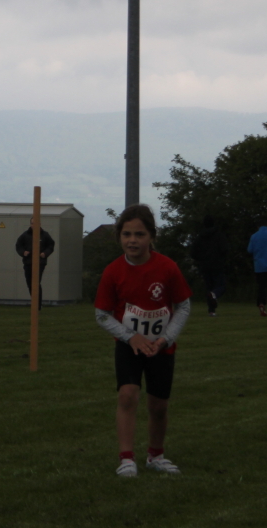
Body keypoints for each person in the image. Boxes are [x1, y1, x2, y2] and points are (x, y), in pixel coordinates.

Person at [94, 203, 192, 477]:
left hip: (161, 348)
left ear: (151, 236)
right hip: (129, 347)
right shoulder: (113, 271)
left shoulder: (167, 267)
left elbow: (183, 306)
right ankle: (126, 459)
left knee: (158, 405)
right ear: (119, 237)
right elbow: (101, 315)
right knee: (127, 395)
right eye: (127, 234)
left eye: (139, 234)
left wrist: (165, 338)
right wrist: (131, 338)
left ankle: (155, 455)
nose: (132, 240)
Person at [189, 215, 228, 316]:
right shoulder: (219, 235)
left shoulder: (200, 237)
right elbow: (224, 249)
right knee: (221, 286)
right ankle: (214, 294)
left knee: (209, 287)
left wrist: (201, 259)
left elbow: (193, 253)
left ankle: (211, 310)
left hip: (204, 265)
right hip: (217, 264)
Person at [16, 222, 55, 307]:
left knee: (36, 283)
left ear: (39, 224)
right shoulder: (25, 235)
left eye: (35, 223)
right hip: (28, 262)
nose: (33, 225)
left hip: (40, 263)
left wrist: (45, 253)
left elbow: (51, 246)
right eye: (32, 223)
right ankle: (35, 302)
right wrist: (23, 252)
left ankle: (37, 305)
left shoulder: (45, 235)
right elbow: (18, 245)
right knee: (30, 283)